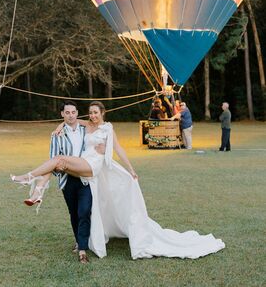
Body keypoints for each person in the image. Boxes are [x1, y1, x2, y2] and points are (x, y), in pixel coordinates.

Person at [11, 101, 225, 260]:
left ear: (103, 113)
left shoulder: (107, 128)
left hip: (92, 165)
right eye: (91, 113)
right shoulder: (87, 125)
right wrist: (59, 125)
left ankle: (30, 178)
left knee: (59, 160)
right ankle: (38, 188)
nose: (93, 115)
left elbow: (119, 150)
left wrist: (131, 170)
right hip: (81, 164)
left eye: (96, 112)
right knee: (60, 164)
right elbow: (72, 120)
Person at [48, 100, 102, 263]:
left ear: (77, 113)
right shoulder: (56, 134)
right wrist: (60, 168)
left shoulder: (86, 129)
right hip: (67, 178)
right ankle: (79, 241)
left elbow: (101, 132)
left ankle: (83, 249)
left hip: (85, 178)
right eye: (67, 112)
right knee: (74, 212)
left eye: (73, 112)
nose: (70, 115)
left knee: (84, 211)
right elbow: (53, 159)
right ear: (62, 114)